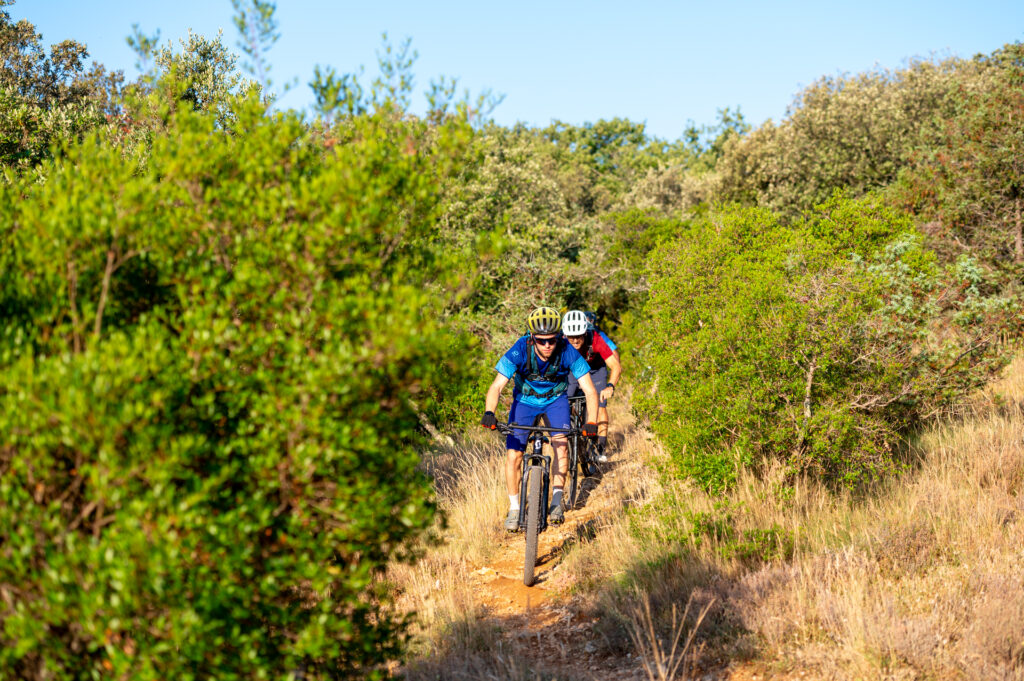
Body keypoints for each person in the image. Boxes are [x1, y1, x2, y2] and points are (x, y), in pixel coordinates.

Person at [482, 307, 599, 531]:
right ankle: (515, 508)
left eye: (552, 341)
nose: (547, 345)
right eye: (541, 341)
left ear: (559, 338)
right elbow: (497, 386)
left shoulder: (567, 351)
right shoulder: (520, 348)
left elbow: (590, 390)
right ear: (532, 337)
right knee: (514, 455)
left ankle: (556, 500)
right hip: (525, 401)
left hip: (556, 400)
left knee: (561, 446)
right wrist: (489, 412)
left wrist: (591, 422)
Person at [565, 310, 622, 464]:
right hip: (574, 371)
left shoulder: (596, 339)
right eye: (571, 337)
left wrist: (610, 386)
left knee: (600, 405)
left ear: (585, 333)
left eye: (579, 336)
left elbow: (615, 366)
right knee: (565, 402)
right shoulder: (562, 341)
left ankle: (600, 449)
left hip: (595, 371)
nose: (575, 340)